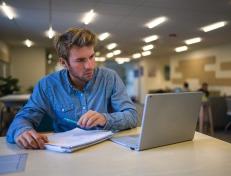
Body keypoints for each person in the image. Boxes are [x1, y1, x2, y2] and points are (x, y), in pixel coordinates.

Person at [6, 28, 138, 149]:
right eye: (80, 60)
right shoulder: (47, 85)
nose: (90, 66)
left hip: (104, 149)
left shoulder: (110, 77)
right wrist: (22, 130)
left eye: (91, 57)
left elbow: (132, 116)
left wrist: (105, 119)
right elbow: (23, 118)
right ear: (64, 63)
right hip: (65, 153)